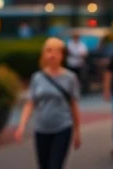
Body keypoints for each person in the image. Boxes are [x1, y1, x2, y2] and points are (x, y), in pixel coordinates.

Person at [16, 37, 82, 169]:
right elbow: (30, 103)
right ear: (44, 54)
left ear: (62, 55)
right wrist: (22, 125)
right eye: (49, 51)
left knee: (55, 165)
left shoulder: (70, 78)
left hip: (62, 127)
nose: (52, 55)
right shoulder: (37, 78)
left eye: (57, 51)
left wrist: (77, 132)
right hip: (41, 129)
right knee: (43, 165)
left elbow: (74, 106)